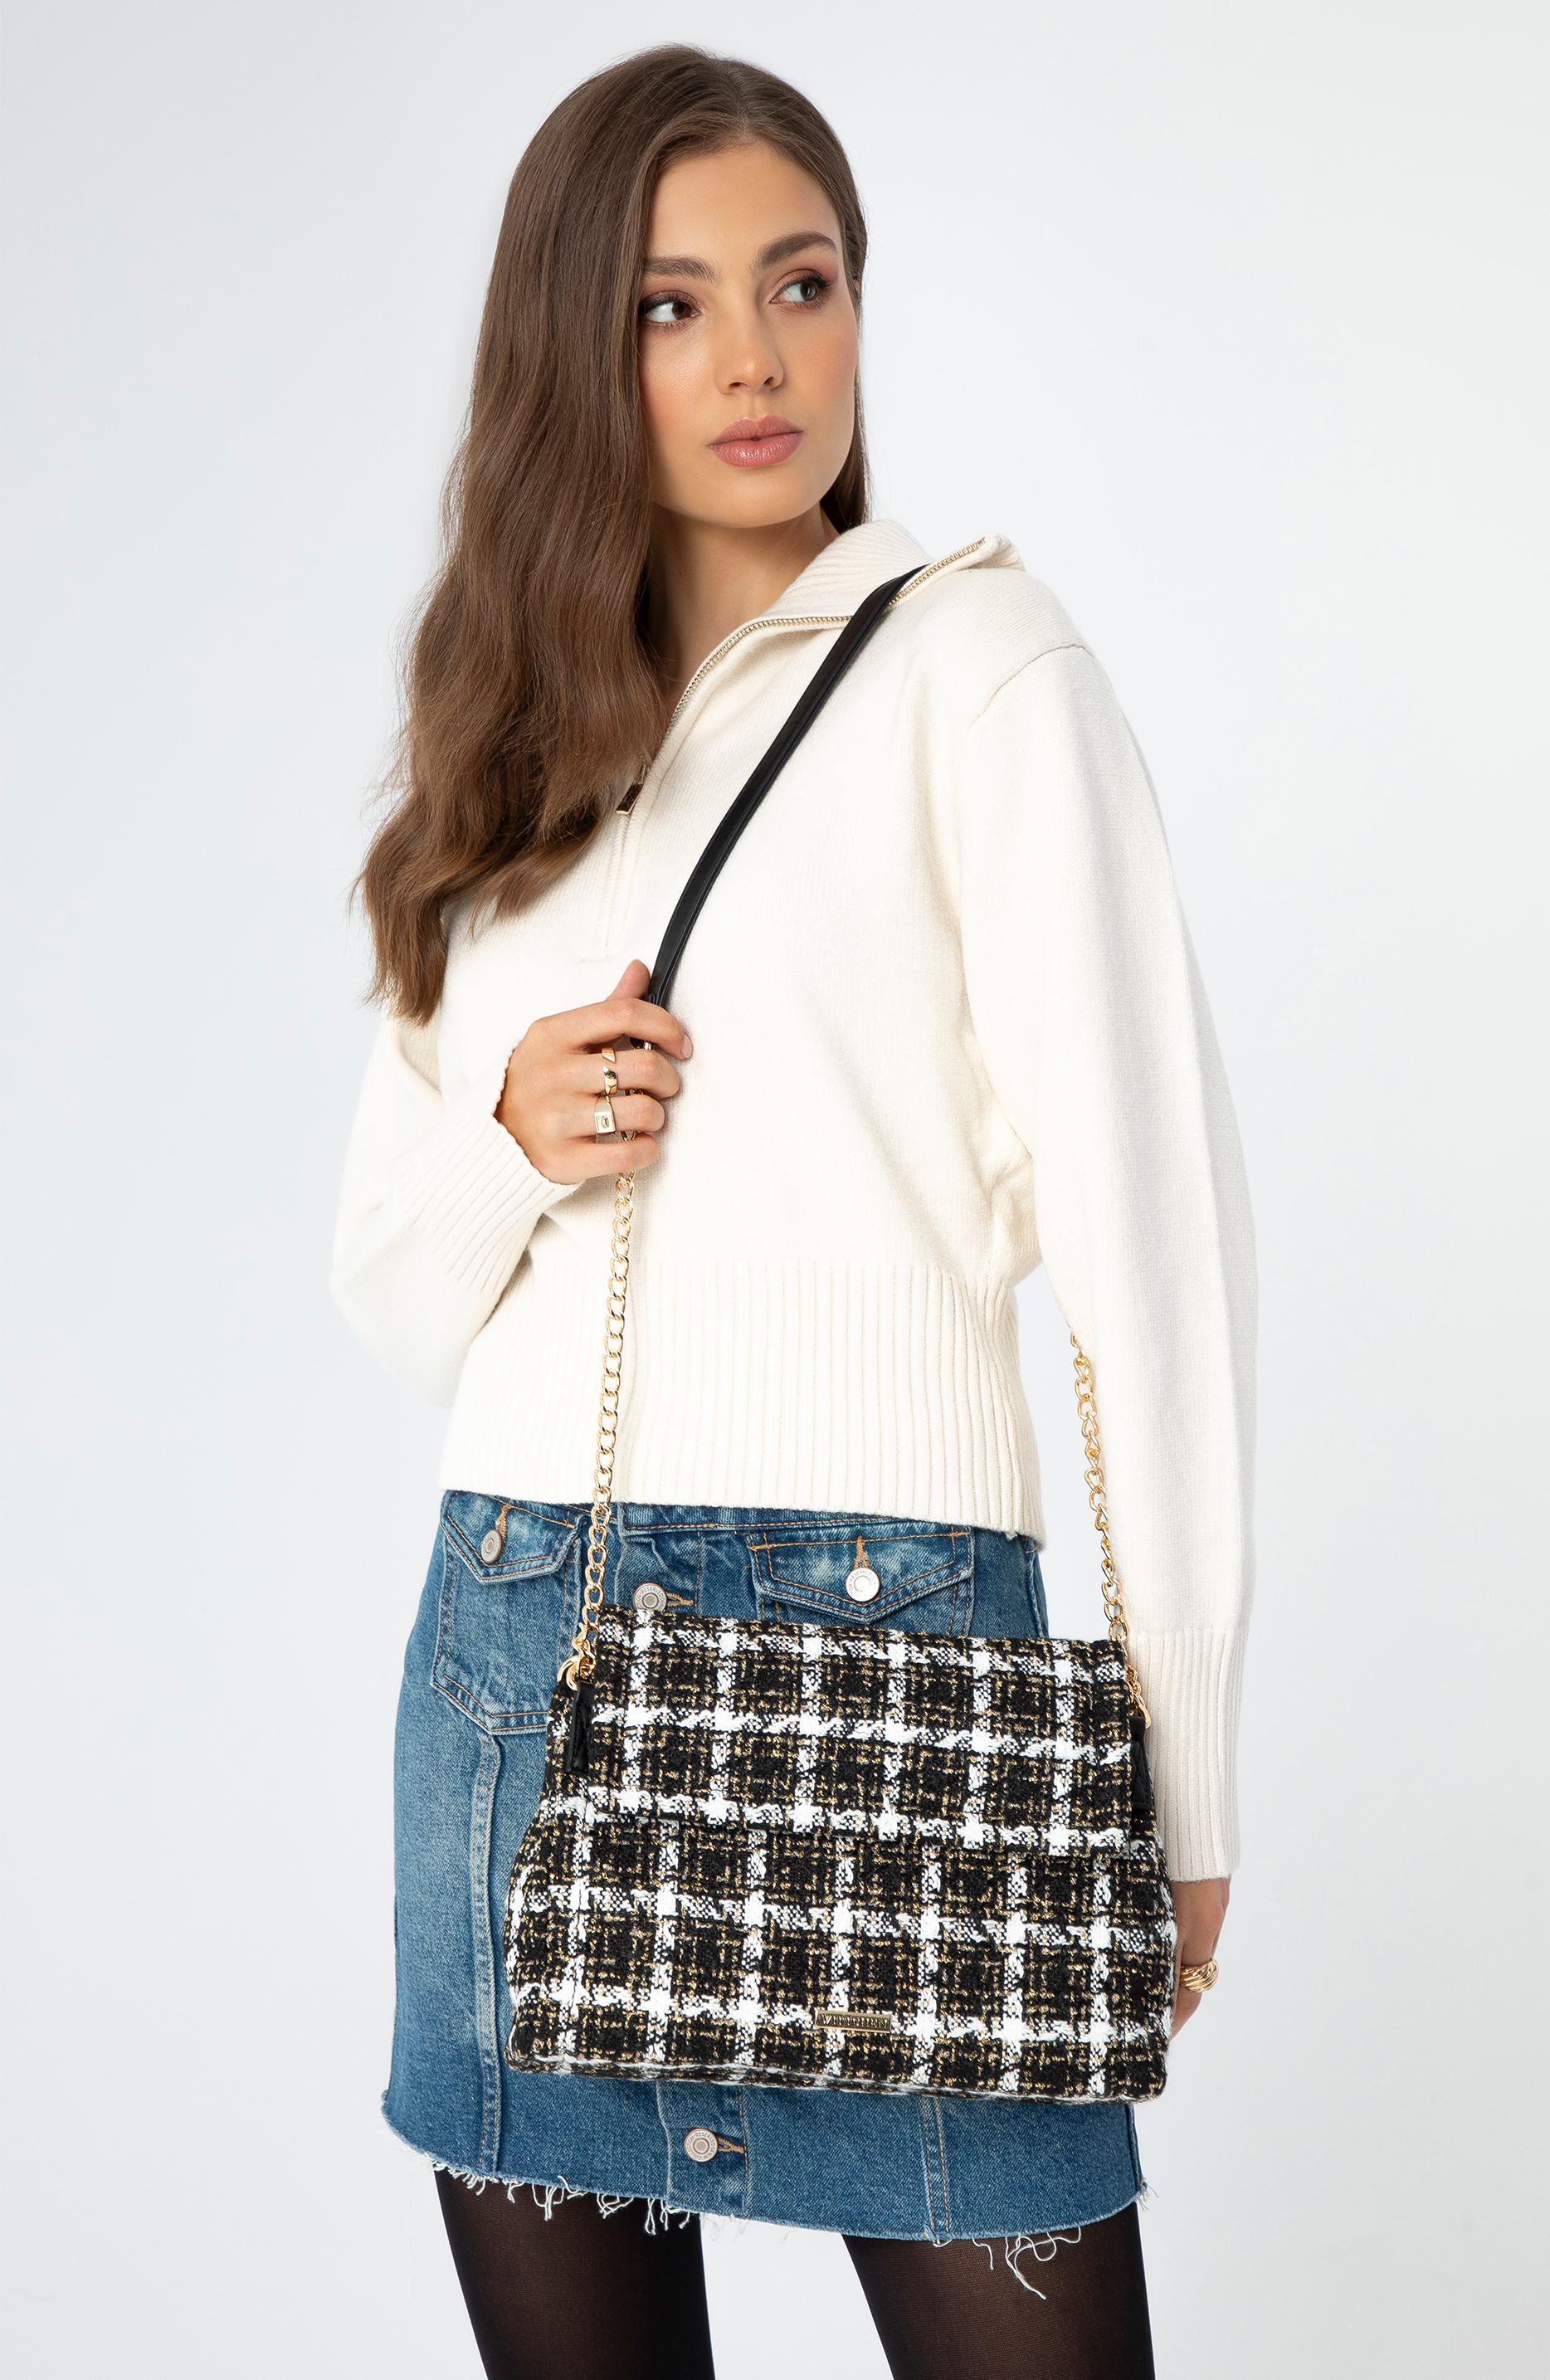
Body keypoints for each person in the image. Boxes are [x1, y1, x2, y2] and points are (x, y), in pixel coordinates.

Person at [334, 44, 1252, 2380]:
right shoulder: (499, 736)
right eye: (670, 305)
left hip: (905, 1655)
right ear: (573, 345)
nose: (753, 357)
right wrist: (513, 1136)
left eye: (801, 282)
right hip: (526, 1648)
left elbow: (1154, 1263)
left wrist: (1183, 1753)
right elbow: (393, 1292)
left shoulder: (983, 667)